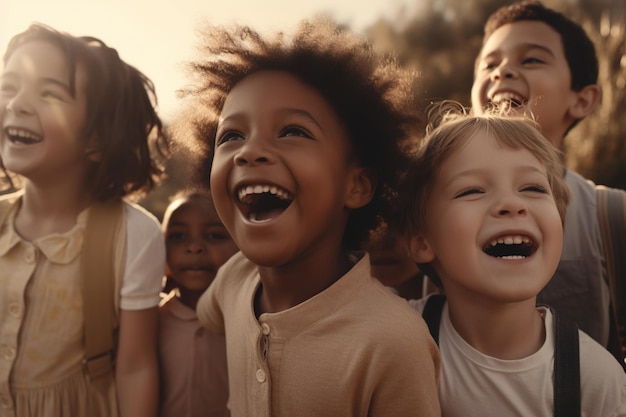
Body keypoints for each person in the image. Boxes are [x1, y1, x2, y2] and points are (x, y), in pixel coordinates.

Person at [173, 17, 441, 417]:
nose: (249, 152)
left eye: (293, 131)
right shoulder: (233, 279)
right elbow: (204, 313)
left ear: (357, 186)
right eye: (231, 136)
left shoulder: (393, 342)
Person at [401, 105, 626, 416]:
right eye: (472, 190)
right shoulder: (393, 340)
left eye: (532, 188)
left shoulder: (597, 380)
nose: (511, 204)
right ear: (423, 242)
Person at [0, 23, 168, 417]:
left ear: (96, 138)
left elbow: (136, 367)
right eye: (10, 86)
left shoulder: (132, 235)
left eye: (50, 94)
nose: (17, 104)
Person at [471, 0, 625, 359]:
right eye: (489, 64)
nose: (501, 72)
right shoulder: (426, 209)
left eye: (531, 60)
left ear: (582, 100)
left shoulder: (611, 217)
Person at [158, 190, 236, 417]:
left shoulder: (251, 320)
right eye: (177, 236)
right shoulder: (149, 322)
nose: (194, 247)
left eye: (214, 235)